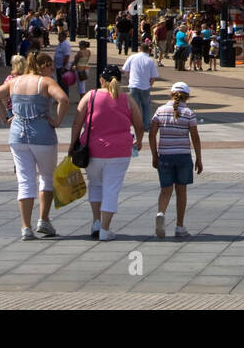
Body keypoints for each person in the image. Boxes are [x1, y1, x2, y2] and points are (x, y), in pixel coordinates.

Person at [0, 50, 70, 240]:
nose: (52, 71)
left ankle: (26, 227)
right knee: (47, 177)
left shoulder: (14, 81)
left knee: (24, 180)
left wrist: (5, 118)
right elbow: (63, 99)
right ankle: (44, 219)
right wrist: (57, 120)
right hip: (43, 135)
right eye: (50, 67)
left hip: (17, 135)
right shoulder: (45, 82)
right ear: (43, 67)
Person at [69, 64, 144, 241]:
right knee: (111, 189)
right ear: (119, 80)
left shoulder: (91, 96)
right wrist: (138, 141)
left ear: (101, 80)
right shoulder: (127, 99)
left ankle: (96, 222)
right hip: (119, 152)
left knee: (95, 185)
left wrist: (72, 145)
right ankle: (105, 229)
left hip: (92, 151)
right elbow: (139, 125)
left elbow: (77, 122)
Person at [150, 81, 203, 239]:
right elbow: (195, 137)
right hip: (183, 156)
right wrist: (199, 158)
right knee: (181, 191)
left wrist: (154, 155)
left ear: (171, 94)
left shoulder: (160, 111)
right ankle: (179, 226)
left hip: (165, 156)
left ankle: (161, 213)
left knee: (165, 189)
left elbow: (152, 134)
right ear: (187, 97)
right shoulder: (188, 113)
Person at [123, 40, 159, 127]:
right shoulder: (150, 61)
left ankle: (134, 124)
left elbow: (125, 70)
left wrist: (130, 79)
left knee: (134, 107)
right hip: (145, 86)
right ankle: (146, 125)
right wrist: (149, 85)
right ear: (148, 50)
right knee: (146, 106)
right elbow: (153, 77)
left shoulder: (132, 57)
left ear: (140, 49)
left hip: (133, 85)